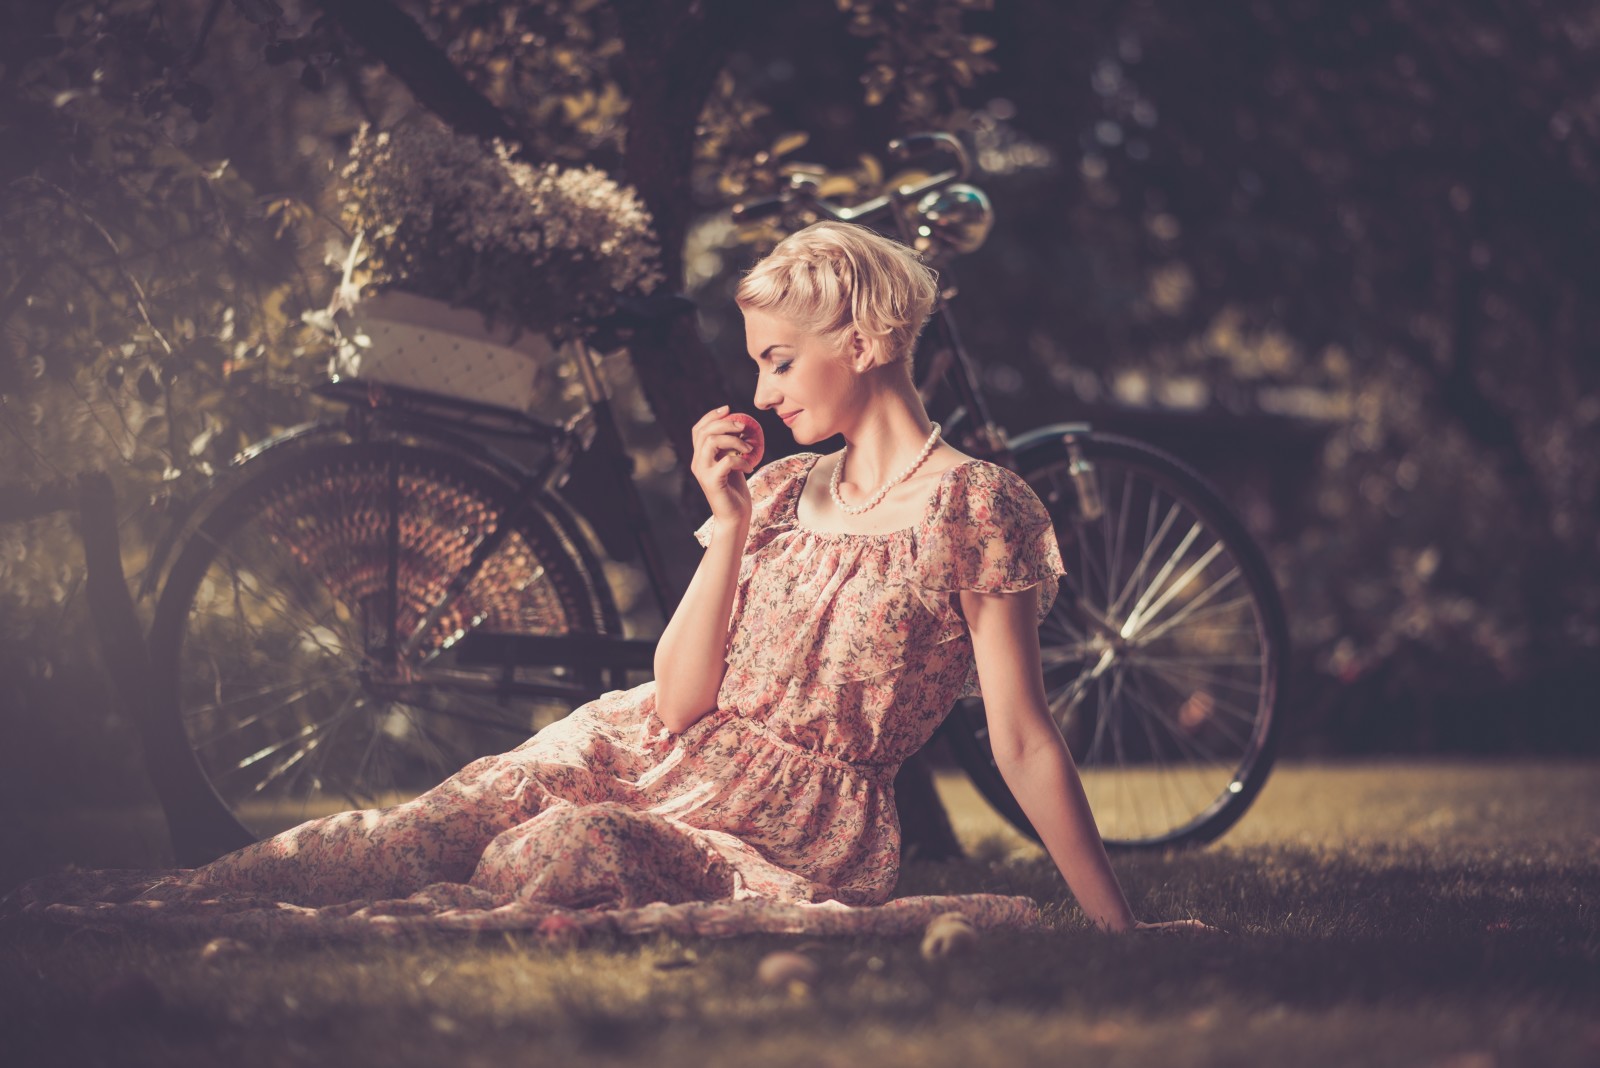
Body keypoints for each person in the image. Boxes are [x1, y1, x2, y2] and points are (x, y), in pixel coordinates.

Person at [6, 221, 1209, 942]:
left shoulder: (980, 506)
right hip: (648, 738)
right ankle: (185, 902)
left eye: (780, 360)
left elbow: (1023, 738)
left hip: (796, 822)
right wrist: (727, 524)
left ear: (868, 340)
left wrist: (1120, 926)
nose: (765, 392)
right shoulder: (783, 493)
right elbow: (680, 699)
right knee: (430, 823)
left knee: (566, 851)